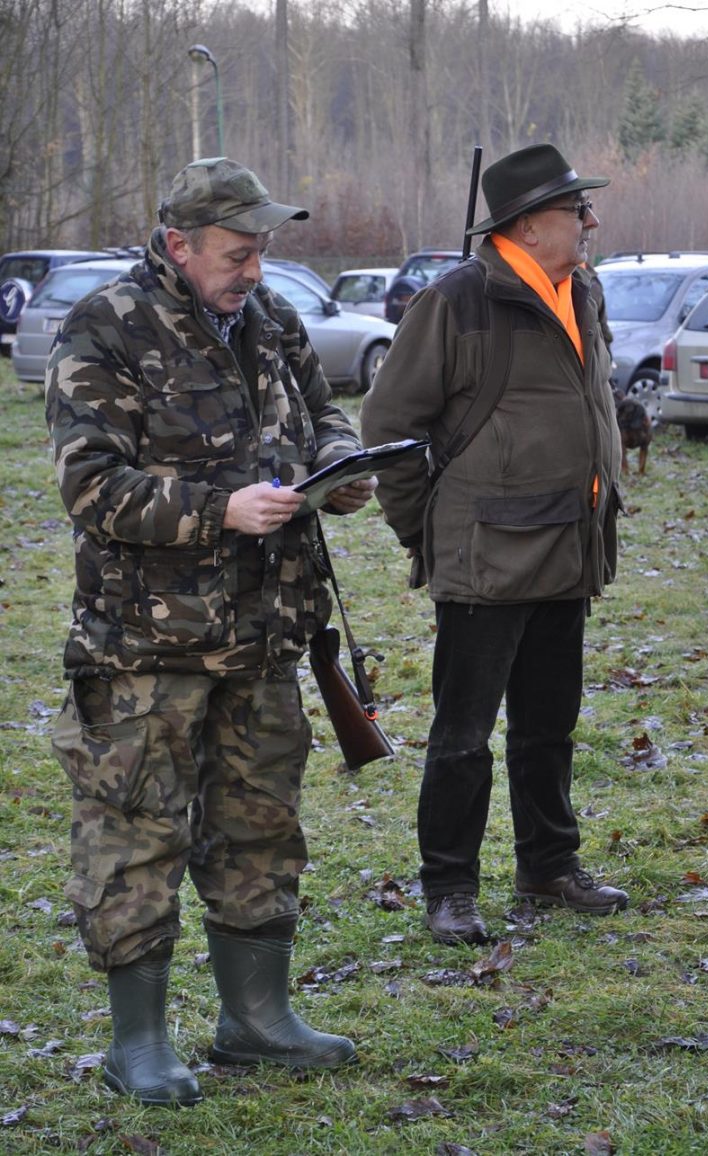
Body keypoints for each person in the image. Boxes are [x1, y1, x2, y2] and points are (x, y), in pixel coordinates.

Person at [45, 156, 376, 1106]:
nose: (256, 269)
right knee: (136, 834)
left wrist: (341, 465)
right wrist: (217, 509)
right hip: (145, 649)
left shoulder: (270, 321)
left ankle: (256, 1021)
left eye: (263, 248)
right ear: (178, 245)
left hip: (266, 634)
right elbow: (88, 485)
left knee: (260, 829)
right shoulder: (103, 327)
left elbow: (323, 415)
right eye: (237, 252)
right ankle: (138, 1044)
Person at [360, 143, 629, 946]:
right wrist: (425, 530)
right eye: (576, 210)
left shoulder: (582, 290)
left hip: (569, 546)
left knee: (549, 725)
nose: (590, 221)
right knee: (463, 737)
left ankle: (549, 864)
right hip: (485, 558)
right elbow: (388, 428)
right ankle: (449, 888)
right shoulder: (457, 302)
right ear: (529, 224)